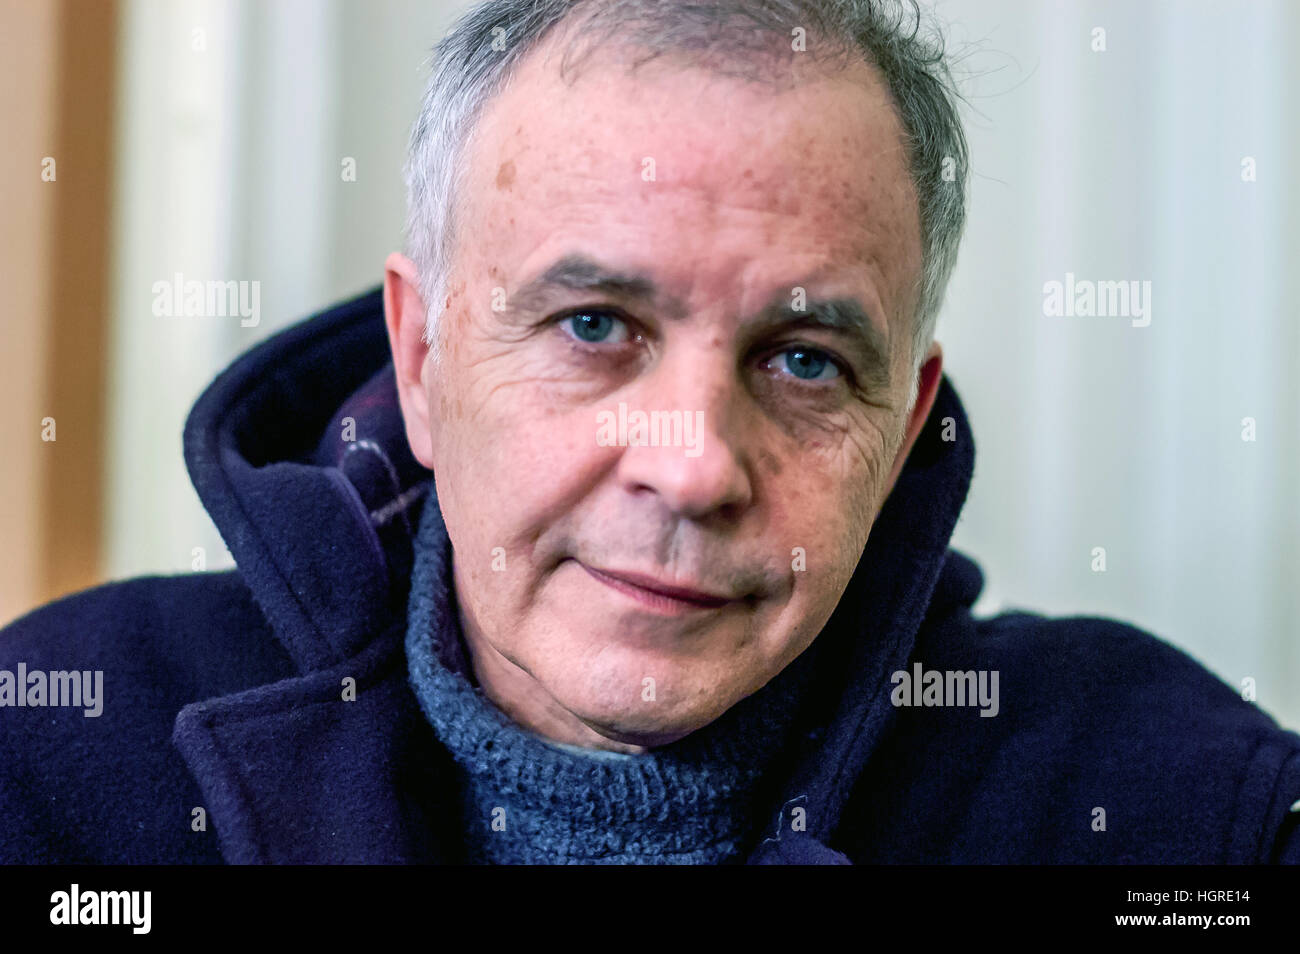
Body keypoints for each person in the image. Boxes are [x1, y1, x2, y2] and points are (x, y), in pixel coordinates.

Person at [2, 0, 1297, 864]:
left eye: (803, 359)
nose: (692, 465)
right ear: (425, 357)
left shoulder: (1175, 808)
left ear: (901, 432)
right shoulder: (60, 749)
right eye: (595, 326)